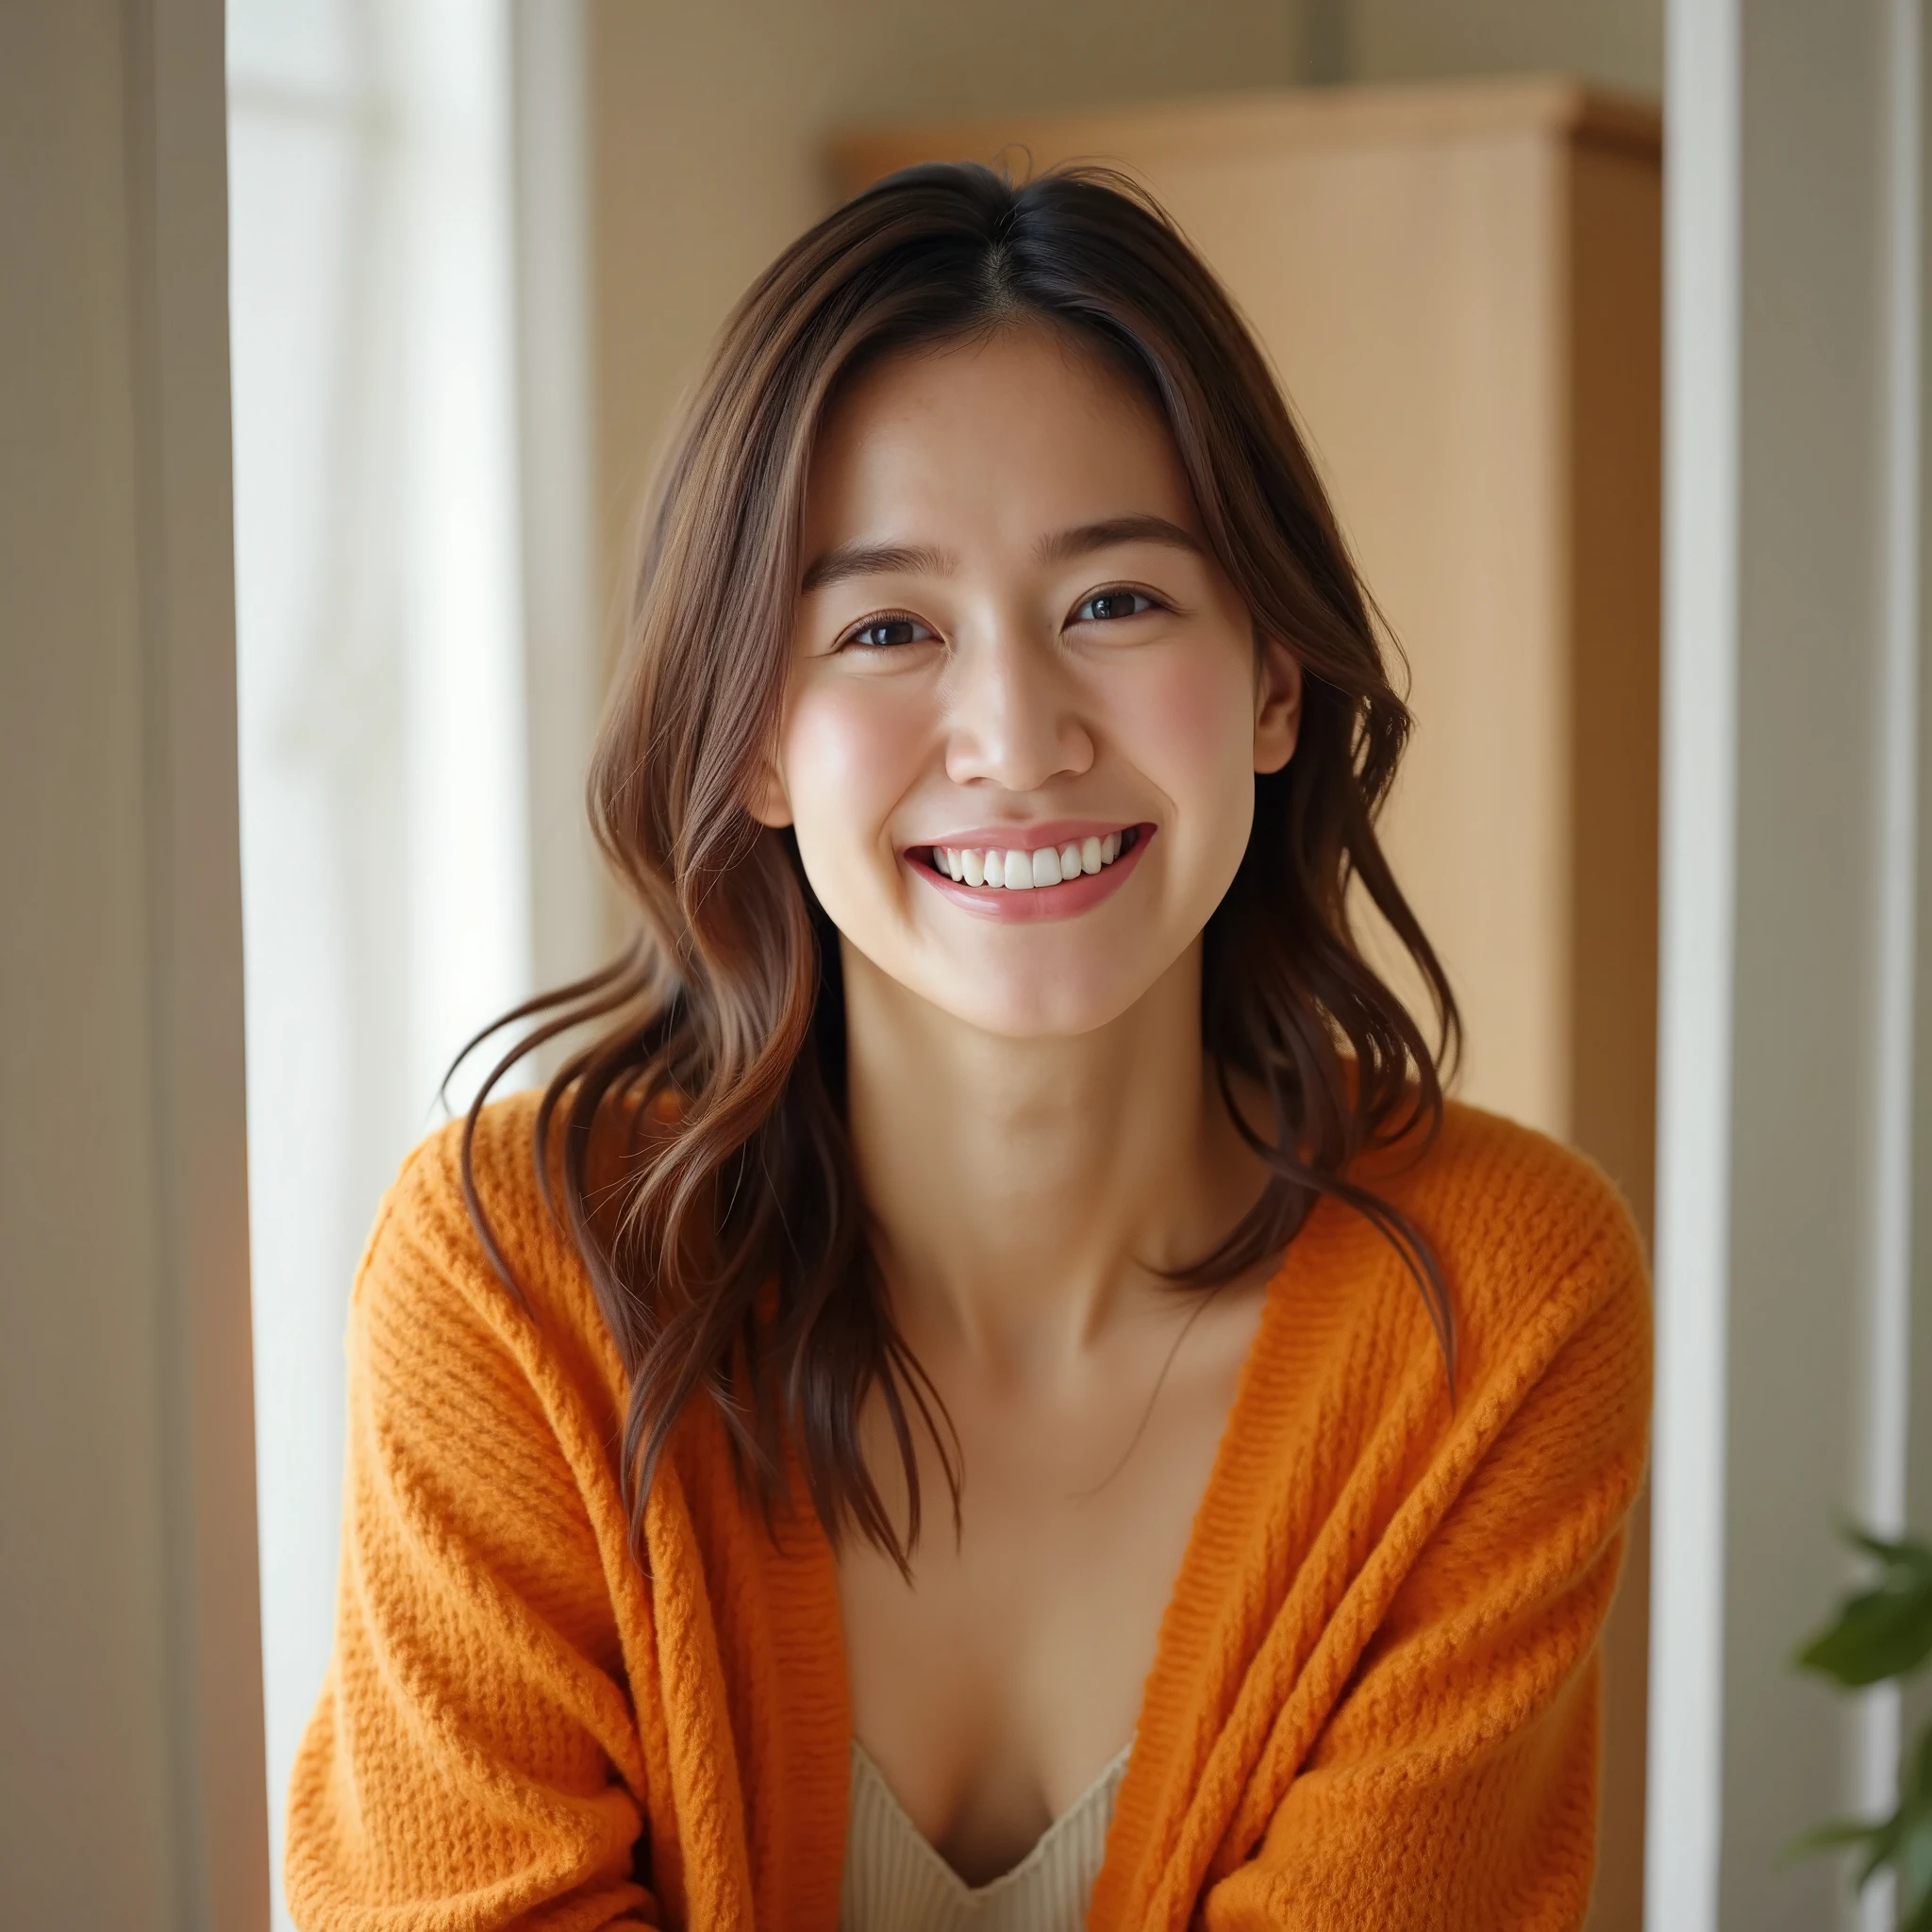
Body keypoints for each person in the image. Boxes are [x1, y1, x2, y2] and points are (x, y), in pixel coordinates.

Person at [284, 164, 1650, 1932]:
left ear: (1273, 687)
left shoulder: (1497, 1310)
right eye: (887, 631)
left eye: (1116, 604)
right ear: (756, 741)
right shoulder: (516, 1292)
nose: (1015, 738)